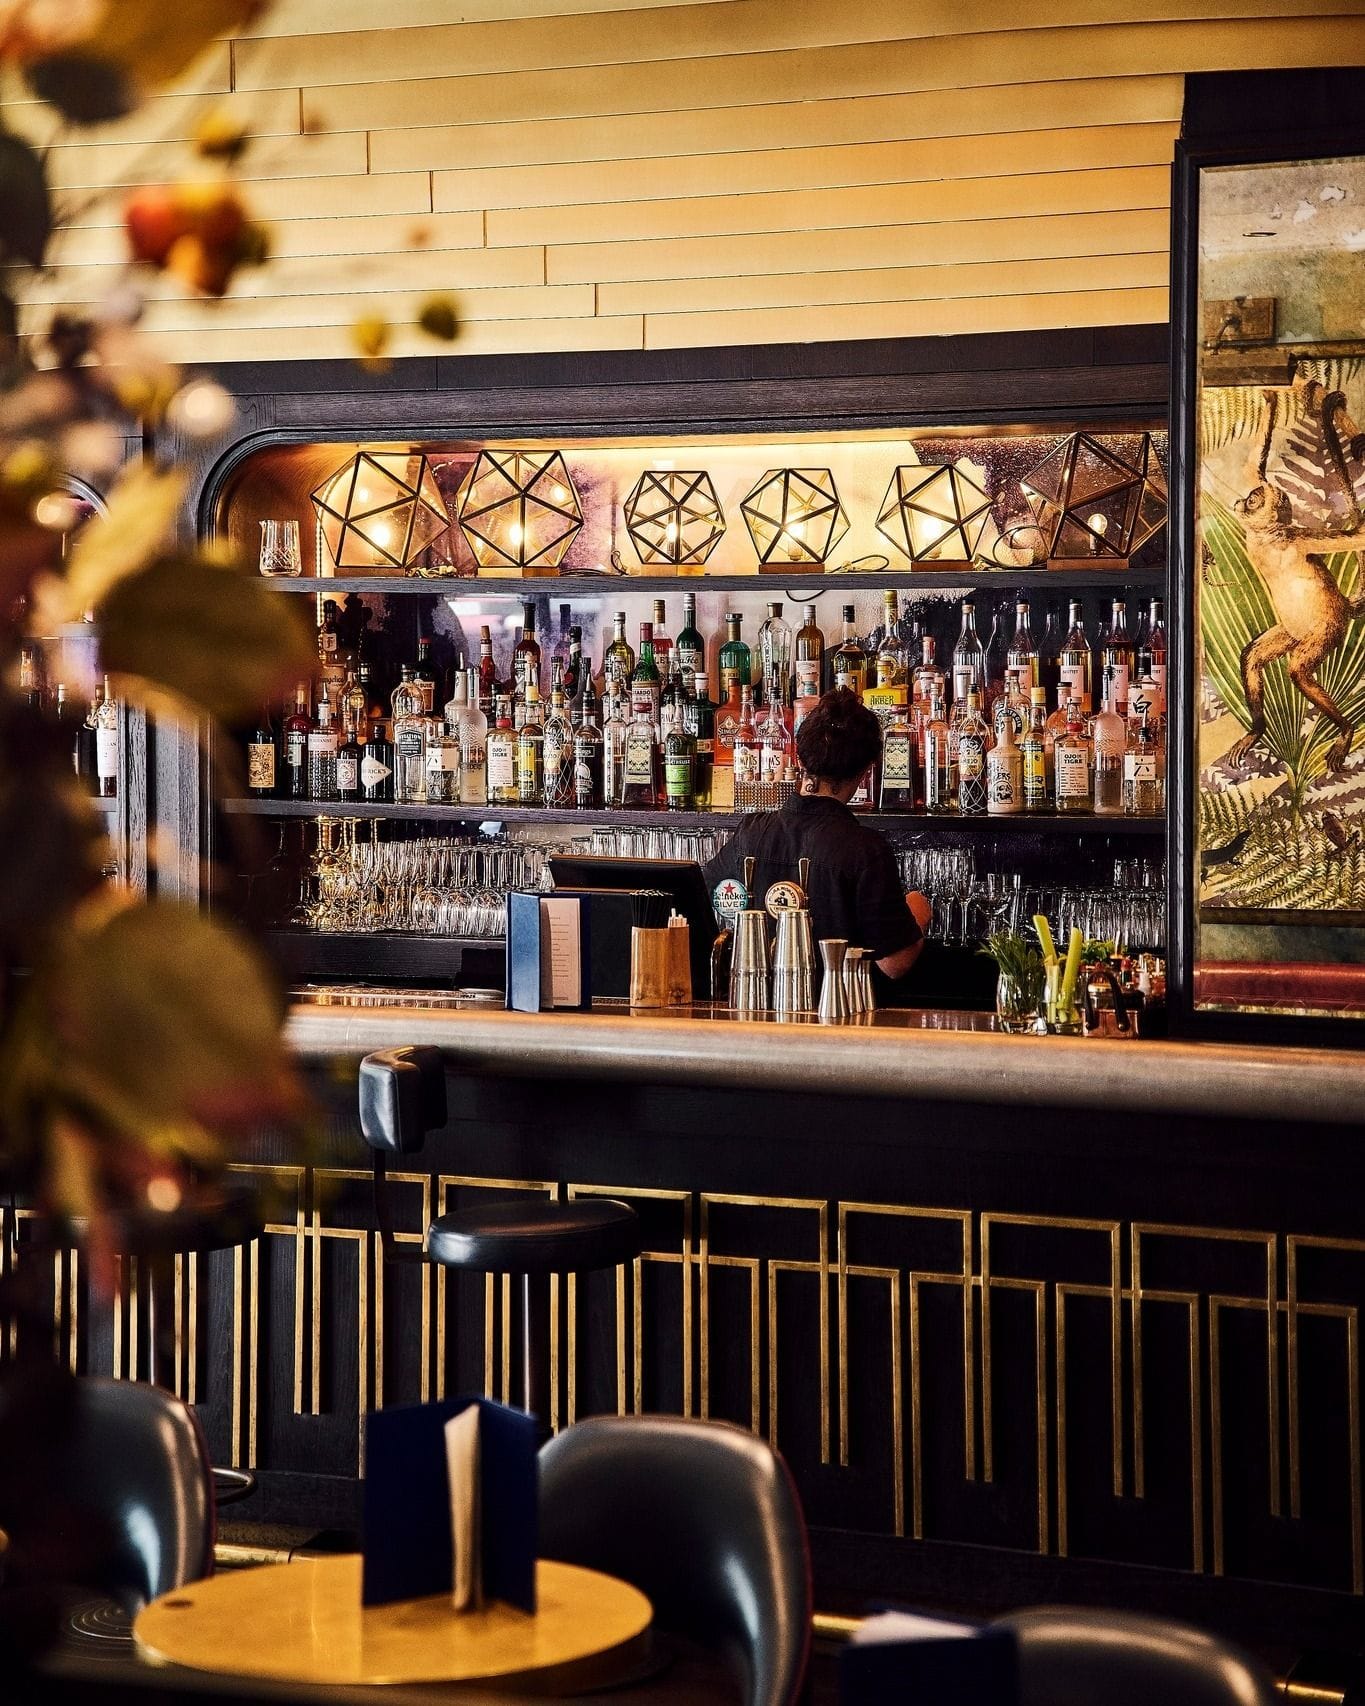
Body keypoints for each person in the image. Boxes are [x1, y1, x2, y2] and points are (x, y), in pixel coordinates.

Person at [703, 688, 931, 994]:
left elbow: (704, 900)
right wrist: (920, 910)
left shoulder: (751, 832)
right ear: (866, 770)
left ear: (800, 757)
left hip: (754, 1011)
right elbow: (894, 963)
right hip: (836, 1015)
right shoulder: (865, 849)